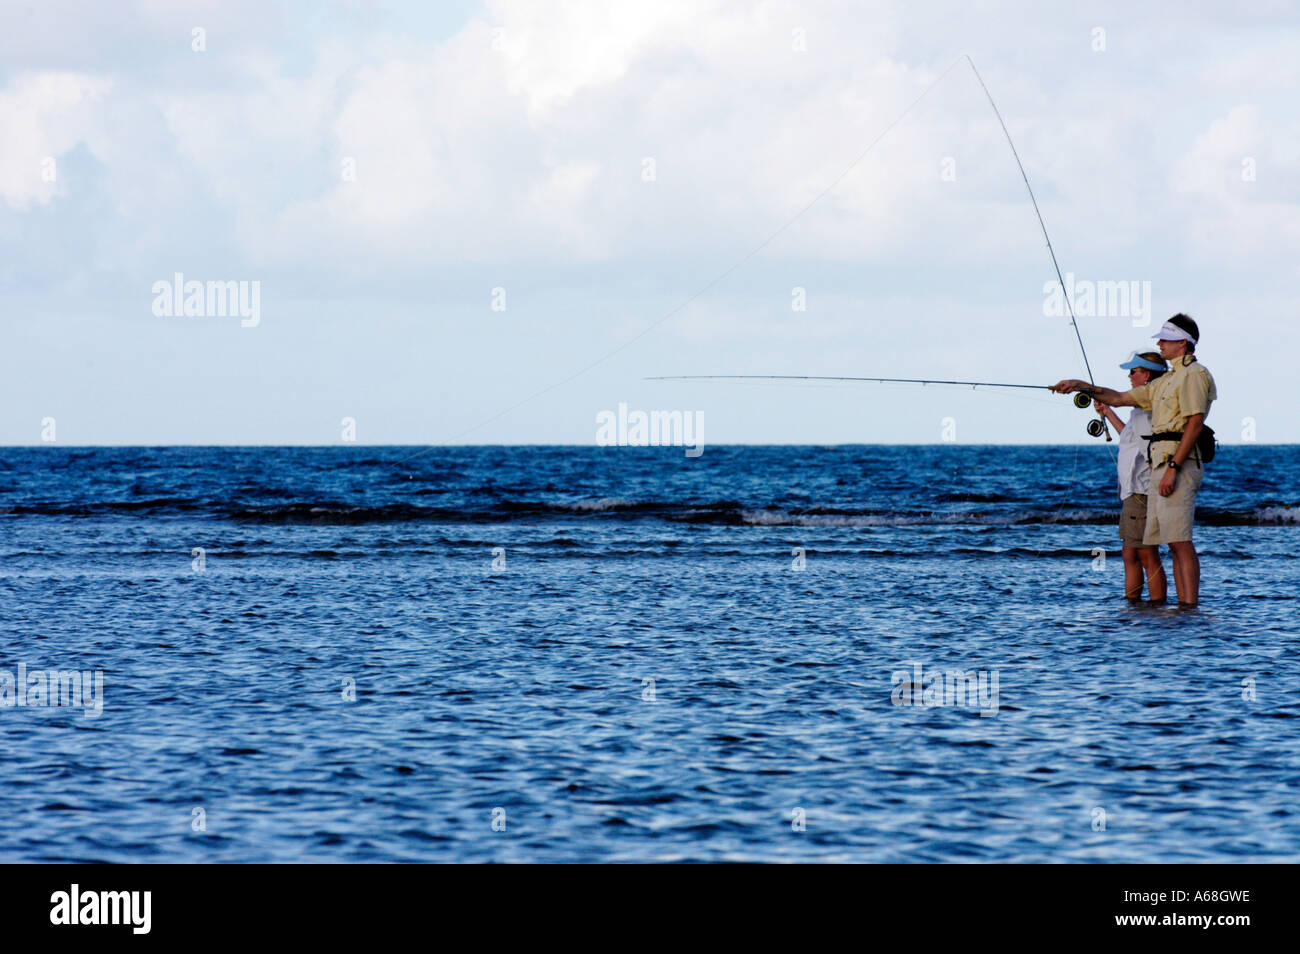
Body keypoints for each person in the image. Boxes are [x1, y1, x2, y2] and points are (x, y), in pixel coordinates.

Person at [1051, 314, 1217, 607]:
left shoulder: (1195, 375)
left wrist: (1174, 468)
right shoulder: (1167, 380)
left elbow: (1194, 424)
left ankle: (1189, 609)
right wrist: (1081, 385)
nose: (1159, 343)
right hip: (1162, 464)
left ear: (1182, 343)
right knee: (1170, 542)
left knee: (1180, 541)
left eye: (1164, 339)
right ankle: (1180, 609)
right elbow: (1119, 397)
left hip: (1177, 463)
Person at [1093, 352, 1168, 602]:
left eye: (1133, 371)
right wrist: (1108, 412)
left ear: (1146, 375)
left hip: (1142, 490)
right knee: (1131, 554)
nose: (1129, 376)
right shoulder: (1141, 408)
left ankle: (1154, 606)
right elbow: (1131, 436)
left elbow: (1150, 447)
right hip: (1134, 491)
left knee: (1146, 555)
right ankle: (1134, 605)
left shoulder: (1148, 404)